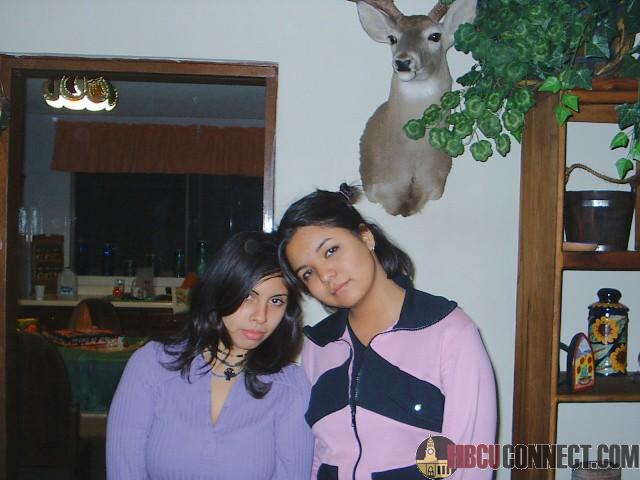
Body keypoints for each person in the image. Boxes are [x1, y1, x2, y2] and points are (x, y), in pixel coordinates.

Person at [277, 184, 497, 479]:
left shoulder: (449, 332)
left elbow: (470, 464)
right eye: (308, 273)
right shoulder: (318, 347)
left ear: (365, 237)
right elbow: (321, 455)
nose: (325, 275)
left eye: (331, 250)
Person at [106, 231, 314, 479]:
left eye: (276, 301)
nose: (261, 316)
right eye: (248, 296)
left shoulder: (291, 387)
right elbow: (124, 471)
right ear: (221, 292)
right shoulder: (152, 365)